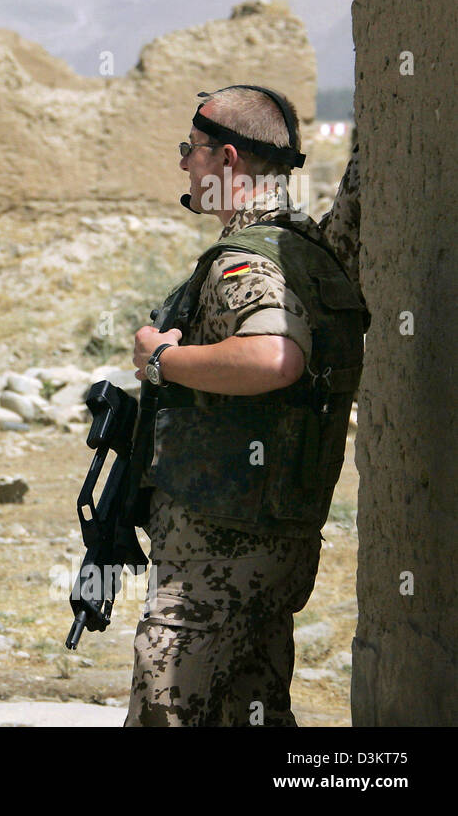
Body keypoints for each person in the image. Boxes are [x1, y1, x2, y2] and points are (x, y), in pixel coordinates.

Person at [122, 85, 368, 726]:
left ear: (227, 158)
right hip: (273, 534)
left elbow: (273, 357)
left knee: (165, 710)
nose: (184, 165)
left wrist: (159, 359)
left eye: (191, 150)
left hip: (219, 546)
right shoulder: (310, 249)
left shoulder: (246, 261)